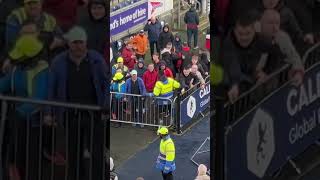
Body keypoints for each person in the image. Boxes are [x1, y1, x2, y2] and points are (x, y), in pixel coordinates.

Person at [46, 26, 108, 180]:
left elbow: (106, 83)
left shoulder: (96, 59)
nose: (78, 46)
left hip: (94, 115)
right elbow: (50, 89)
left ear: (86, 43)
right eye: (74, 43)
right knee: (74, 154)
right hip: (70, 115)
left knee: (97, 154)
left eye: (80, 42)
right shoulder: (58, 62)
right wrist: (48, 112)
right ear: (68, 44)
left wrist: (106, 105)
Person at [1, 35, 49, 180]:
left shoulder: (43, 71)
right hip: (16, 121)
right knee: (12, 156)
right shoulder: (17, 70)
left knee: (30, 162)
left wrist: (19, 113)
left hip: (35, 123)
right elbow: (4, 84)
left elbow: (39, 99)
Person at [260, 9, 304, 86]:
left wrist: (298, 72)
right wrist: (258, 74)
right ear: (261, 23)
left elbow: (294, 56)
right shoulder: (253, 36)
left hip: (272, 78)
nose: (275, 27)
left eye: (277, 23)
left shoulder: (282, 36)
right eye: (270, 23)